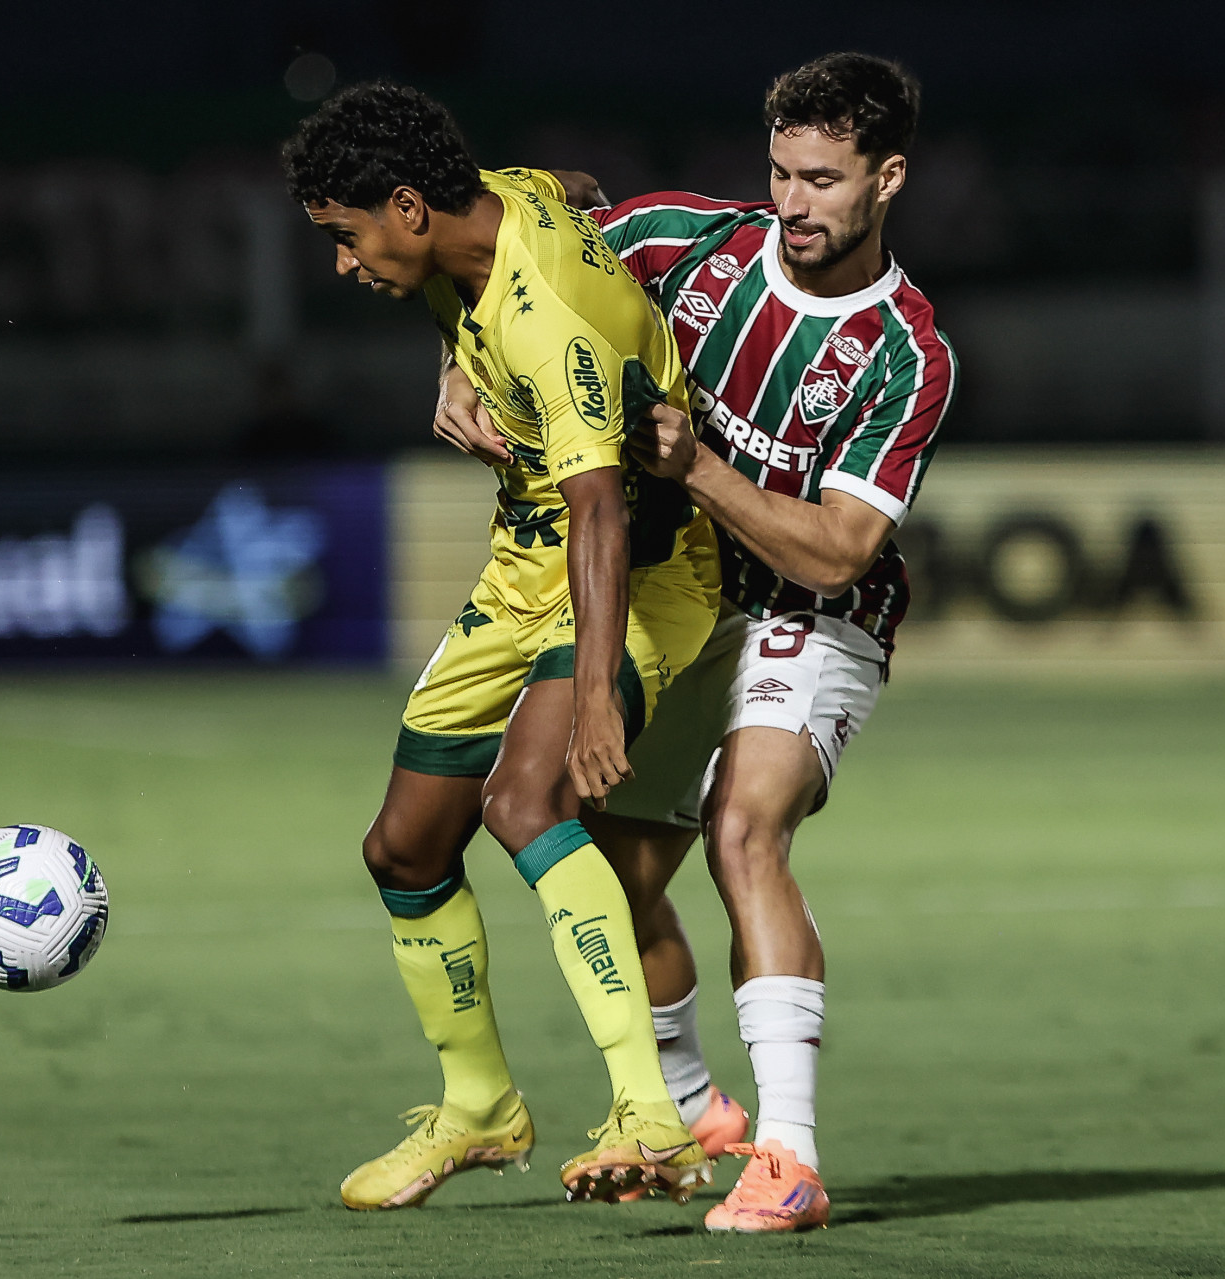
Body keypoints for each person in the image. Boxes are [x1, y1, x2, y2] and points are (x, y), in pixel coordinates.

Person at [431, 53, 958, 1232]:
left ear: (888, 179)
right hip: (684, 600)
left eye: (823, 179)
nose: (794, 202)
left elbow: (840, 551)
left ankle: (790, 1158)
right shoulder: (682, 243)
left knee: (743, 828)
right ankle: (686, 1113)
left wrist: (700, 467)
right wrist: (458, 355)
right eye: (781, 172)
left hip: (810, 614)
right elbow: (530, 223)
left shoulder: (906, 353)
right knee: (612, 876)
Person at [282, 81, 727, 1210]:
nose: (343, 262)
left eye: (346, 236)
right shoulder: (489, 204)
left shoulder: (548, 319)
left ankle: (650, 1112)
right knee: (402, 847)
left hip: (637, 574)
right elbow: (576, 186)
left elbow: (601, 513)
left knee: (527, 802)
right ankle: (480, 1108)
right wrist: (453, 361)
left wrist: (597, 695)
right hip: (524, 566)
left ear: (406, 208)